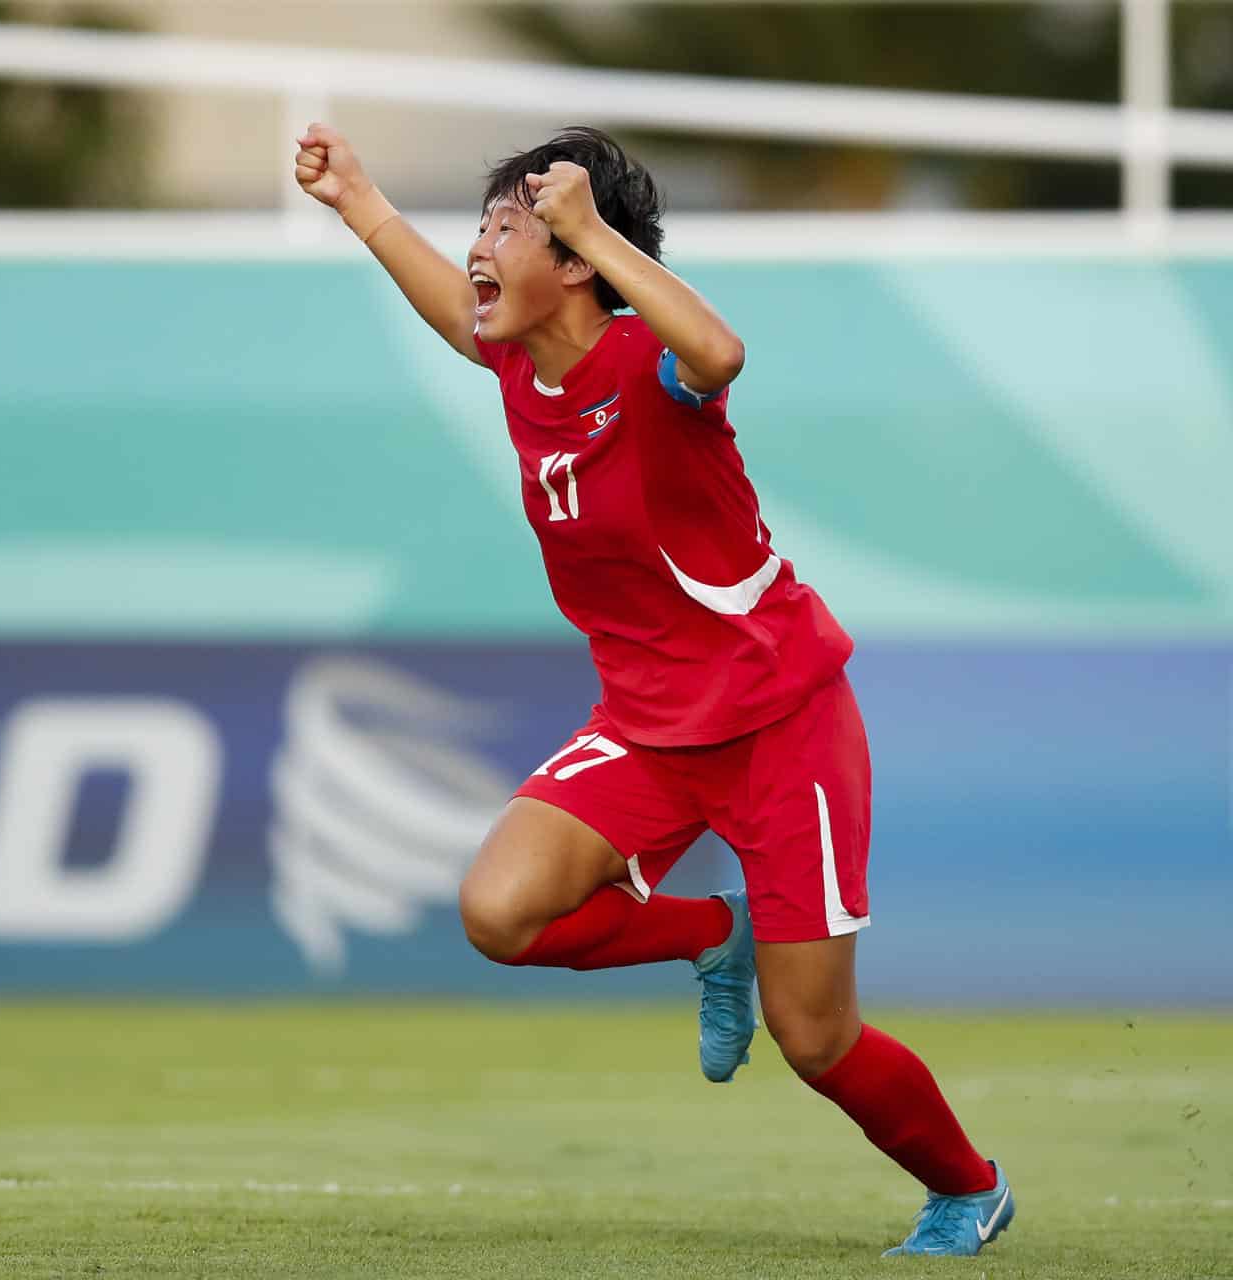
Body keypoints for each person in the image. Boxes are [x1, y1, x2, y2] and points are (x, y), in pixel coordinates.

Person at [292, 123, 1014, 1259]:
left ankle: (968, 1186)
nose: (478, 248)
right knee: (501, 910)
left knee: (814, 1035)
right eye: (481, 226)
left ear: (577, 258)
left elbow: (720, 353)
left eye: (504, 228)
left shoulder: (649, 362)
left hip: (782, 719)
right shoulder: (519, 363)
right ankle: (712, 933)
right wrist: (362, 202)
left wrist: (587, 228)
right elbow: (453, 311)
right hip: (645, 725)